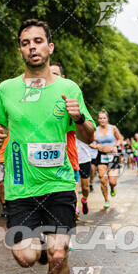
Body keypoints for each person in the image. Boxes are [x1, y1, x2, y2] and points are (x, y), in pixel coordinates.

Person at [0, 18, 95, 274]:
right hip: (21, 187)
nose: (32, 47)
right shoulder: (7, 89)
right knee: (25, 256)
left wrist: (78, 118)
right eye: (26, 42)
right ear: (21, 49)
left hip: (59, 185)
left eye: (38, 41)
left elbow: (89, 136)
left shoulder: (68, 89)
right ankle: (40, 252)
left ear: (50, 47)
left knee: (59, 253)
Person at [50, 63, 81, 218]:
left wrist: (76, 116)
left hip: (69, 155)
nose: (52, 77)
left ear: (62, 77)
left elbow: (86, 131)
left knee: (71, 193)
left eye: (55, 73)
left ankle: (74, 207)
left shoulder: (71, 98)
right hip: (45, 161)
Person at [95, 110, 122, 209]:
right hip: (101, 156)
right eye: (100, 118)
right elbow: (91, 142)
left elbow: (120, 139)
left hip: (112, 156)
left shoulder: (113, 128)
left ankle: (112, 188)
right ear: (98, 119)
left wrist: (116, 146)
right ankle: (106, 200)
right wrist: (96, 146)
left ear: (107, 119)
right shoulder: (96, 130)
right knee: (103, 179)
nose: (102, 120)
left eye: (104, 118)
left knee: (112, 181)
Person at [76, 137, 92, 215]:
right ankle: (75, 207)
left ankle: (84, 200)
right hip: (71, 160)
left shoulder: (84, 125)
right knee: (73, 186)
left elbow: (93, 138)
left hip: (85, 160)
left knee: (85, 187)